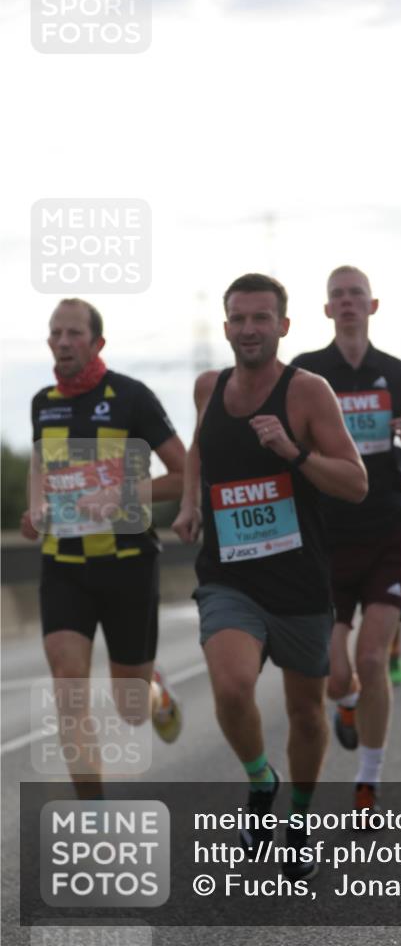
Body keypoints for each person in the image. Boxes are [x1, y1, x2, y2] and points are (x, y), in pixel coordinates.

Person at [172, 273, 367, 881]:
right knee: (231, 687)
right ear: (226, 325)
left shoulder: (309, 393)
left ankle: (301, 816)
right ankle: (261, 780)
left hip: (299, 581)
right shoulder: (209, 387)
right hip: (229, 576)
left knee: (307, 714)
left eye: (261, 318)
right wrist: (189, 503)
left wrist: (293, 452)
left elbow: (356, 483)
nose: (249, 329)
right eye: (238, 319)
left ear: (283, 326)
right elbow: (199, 452)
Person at [20, 298, 186, 800]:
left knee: (129, 707)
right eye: (56, 333)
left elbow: (184, 474)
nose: (63, 342)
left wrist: (123, 494)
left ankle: (151, 685)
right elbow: (40, 469)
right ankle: (92, 814)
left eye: (74, 334)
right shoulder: (42, 402)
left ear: (97, 342)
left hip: (128, 566)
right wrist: (34, 511)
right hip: (65, 566)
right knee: (68, 689)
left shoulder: (133, 397)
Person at [292, 265, 401, 815]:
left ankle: (368, 780)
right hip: (323, 539)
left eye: (356, 295)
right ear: (327, 310)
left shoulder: (399, 375)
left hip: (386, 532)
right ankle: (344, 702)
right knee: (335, 673)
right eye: (337, 296)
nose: (347, 303)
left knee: (373, 659)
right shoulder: (305, 374)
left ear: (373, 306)